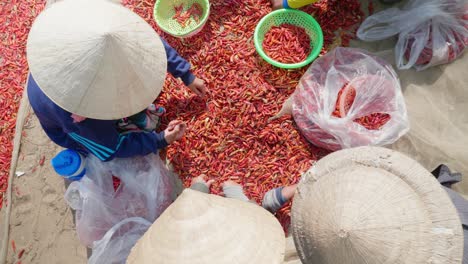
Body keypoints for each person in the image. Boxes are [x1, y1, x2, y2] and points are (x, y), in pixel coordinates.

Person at [26, 0, 205, 161]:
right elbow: (109, 149)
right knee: (103, 143)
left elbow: (147, 44)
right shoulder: (80, 114)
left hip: (81, 93)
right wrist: (161, 139)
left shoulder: (93, 28)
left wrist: (186, 75)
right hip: (73, 130)